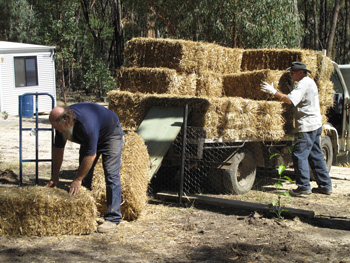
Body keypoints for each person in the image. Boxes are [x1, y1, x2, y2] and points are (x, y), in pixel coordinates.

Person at [46, 102, 123, 232]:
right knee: (85, 175)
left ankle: (113, 218)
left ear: (66, 121)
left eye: (57, 127)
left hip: (110, 134)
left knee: (111, 173)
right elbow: (58, 149)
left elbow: (91, 155)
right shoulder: (62, 124)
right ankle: (84, 211)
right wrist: (55, 175)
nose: (56, 130)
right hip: (92, 136)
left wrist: (77, 179)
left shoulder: (86, 125)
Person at [261, 61, 333, 196]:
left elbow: (290, 100)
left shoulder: (303, 84)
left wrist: (274, 92)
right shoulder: (309, 82)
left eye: (292, 72)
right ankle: (325, 185)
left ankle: (303, 187)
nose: (291, 74)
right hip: (315, 125)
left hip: (307, 127)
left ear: (301, 72)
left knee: (299, 154)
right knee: (316, 156)